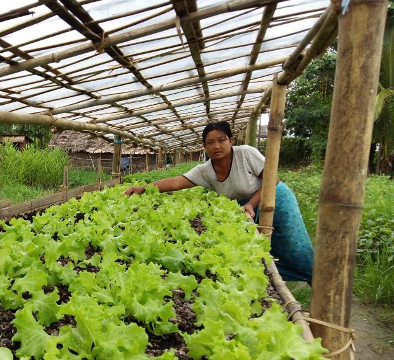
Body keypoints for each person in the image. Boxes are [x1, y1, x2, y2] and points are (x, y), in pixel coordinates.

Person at [125, 121, 313, 283]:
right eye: (210, 142)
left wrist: (251, 203)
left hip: (275, 199)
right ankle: (284, 280)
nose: (217, 146)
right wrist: (143, 188)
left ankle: (319, 285)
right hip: (248, 208)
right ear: (204, 147)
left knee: (296, 249)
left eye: (222, 140)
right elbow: (175, 182)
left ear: (231, 141)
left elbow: (272, 179)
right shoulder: (206, 171)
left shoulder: (246, 154)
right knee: (265, 252)